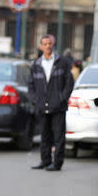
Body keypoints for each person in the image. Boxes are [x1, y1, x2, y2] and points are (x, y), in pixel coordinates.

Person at [28, 34, 74, 171]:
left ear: (53, 45)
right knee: (44, 135)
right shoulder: (36, 65)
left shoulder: (63, 62)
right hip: (42, 106)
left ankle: (57, 163)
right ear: (40, 46)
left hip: (58, 106)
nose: (48, 46)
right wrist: (36, 100)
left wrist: (62, 98)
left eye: (50, 44)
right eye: (45, 44)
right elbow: (31, 86)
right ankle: (45, 160)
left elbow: (69, 83)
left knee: (58, 136)